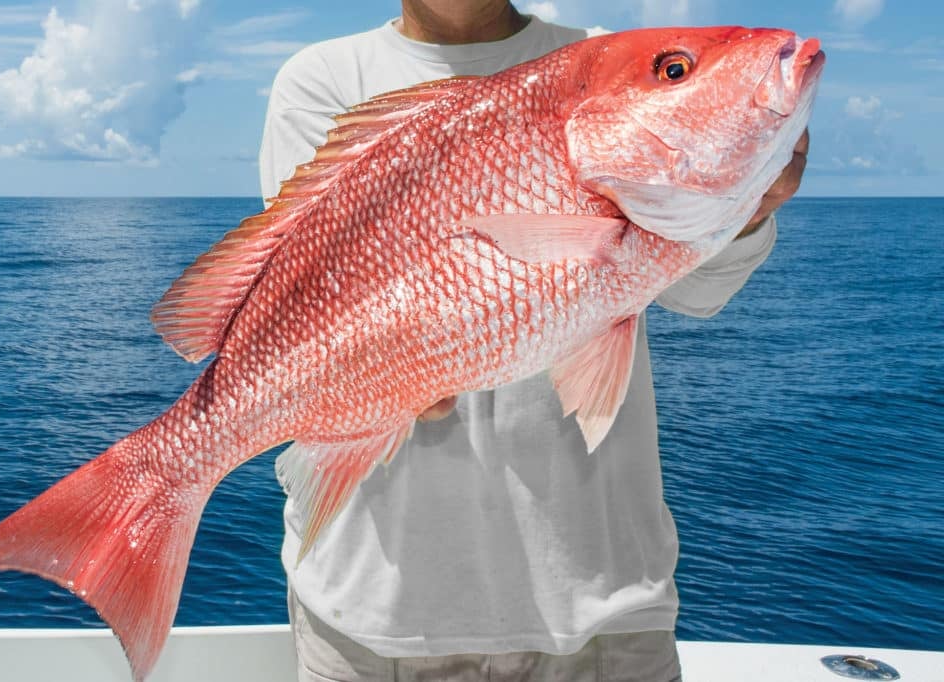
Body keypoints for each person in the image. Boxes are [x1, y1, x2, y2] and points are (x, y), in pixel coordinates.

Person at [258, 2, 809, 680]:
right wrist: (387, 379)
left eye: (674, 72)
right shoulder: (322, 78)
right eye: (675, 71)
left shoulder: (603, 55)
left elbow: (699, 294)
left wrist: (746, 212)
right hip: (375, 607)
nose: (674, 72)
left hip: (602, 599)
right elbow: (301, 291)